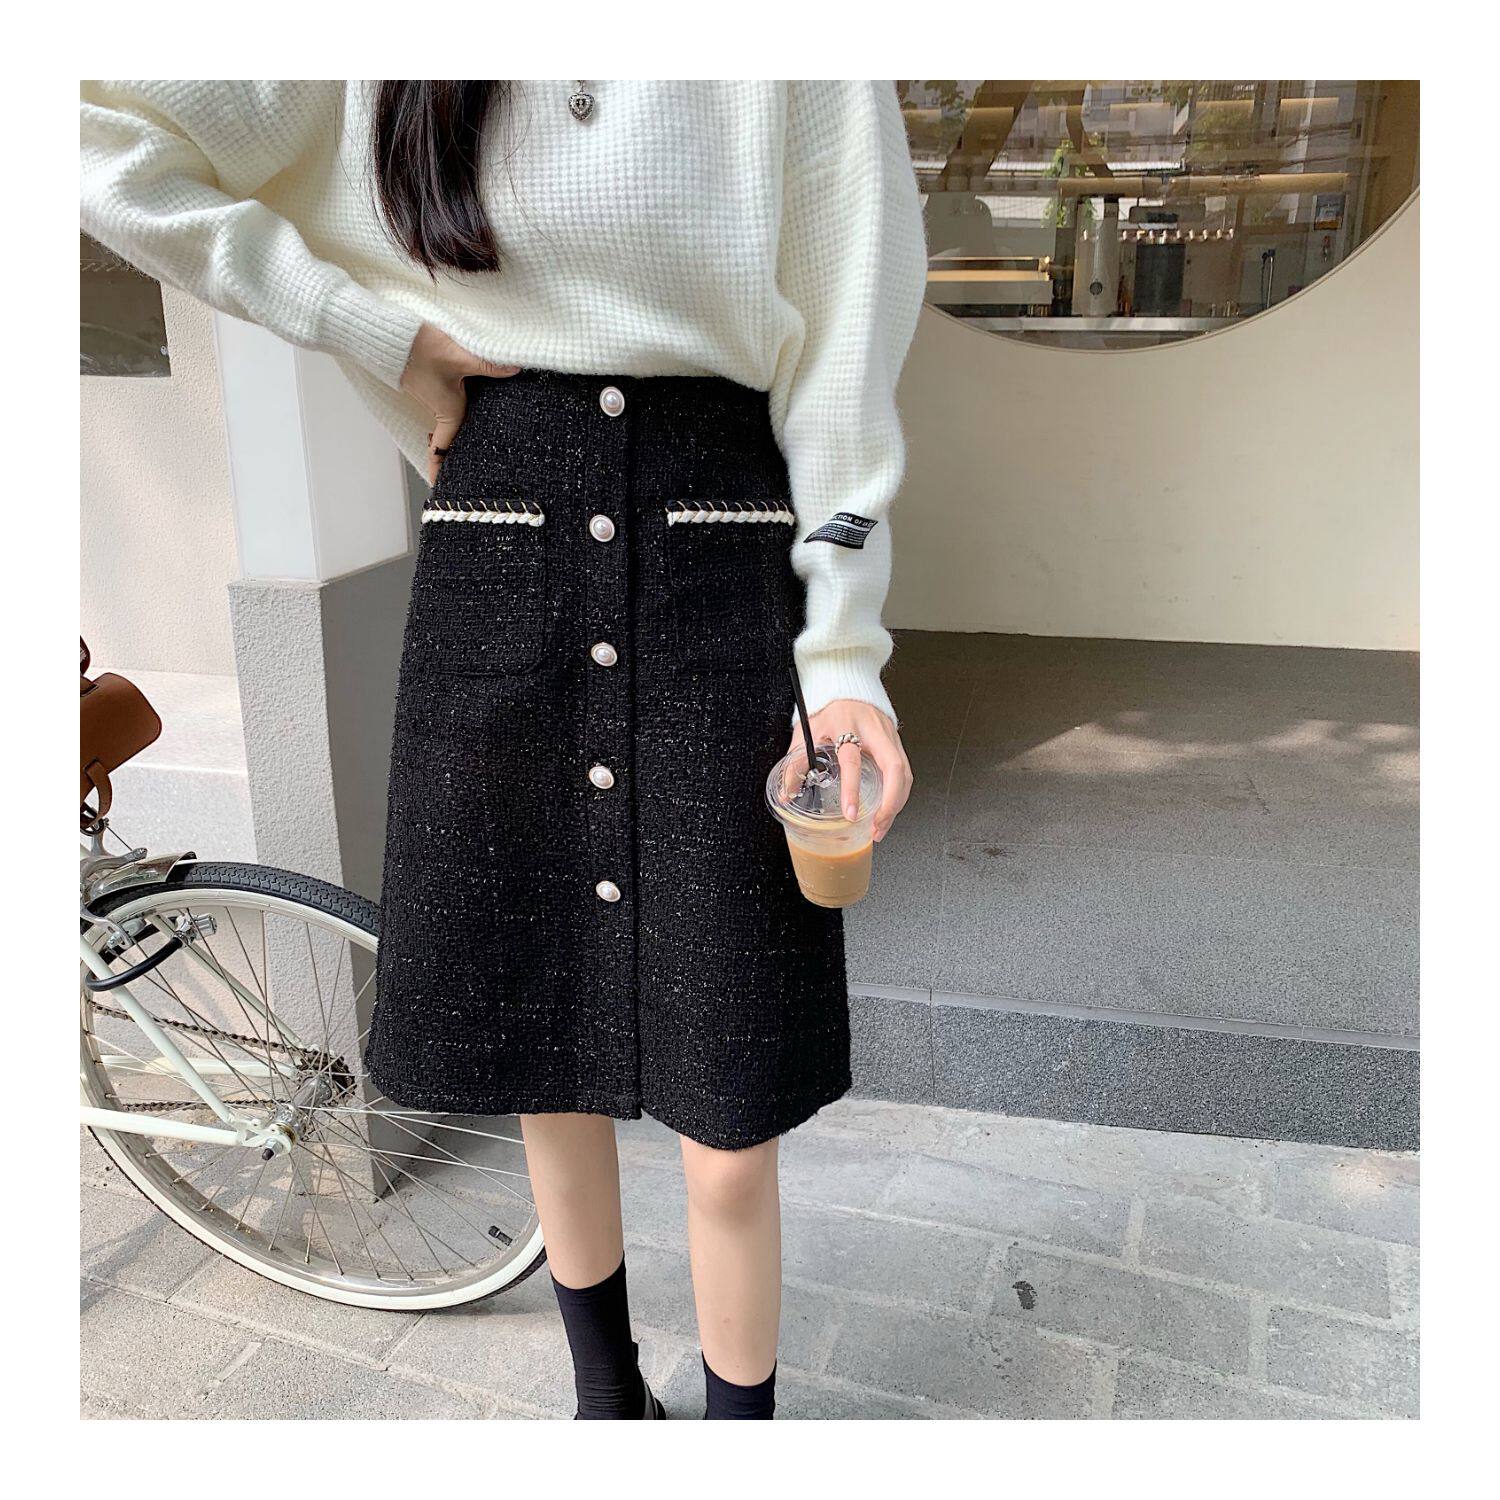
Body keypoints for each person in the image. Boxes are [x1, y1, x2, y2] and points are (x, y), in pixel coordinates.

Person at [81, 79, 925, 1420]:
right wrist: (367, 324)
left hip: (720, 560)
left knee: (733, 1104)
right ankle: (607, 1405)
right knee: (541, 1048)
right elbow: (93, 130)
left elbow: (844, 351)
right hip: (498, 550)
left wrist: (842, 653)